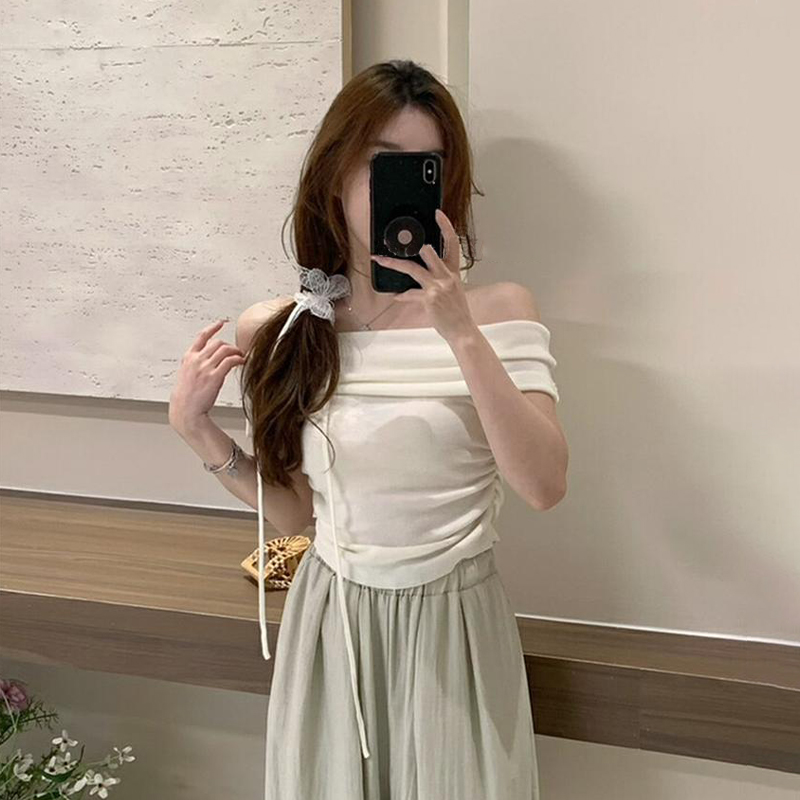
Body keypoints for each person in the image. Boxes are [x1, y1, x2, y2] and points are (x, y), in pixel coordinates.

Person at [169, 59, 568, 800]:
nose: (405, 187)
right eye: (385, 164)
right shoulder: (287, 328)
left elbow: (544, 485)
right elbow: (295, 513)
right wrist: (200, 432)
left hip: (455, 627)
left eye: (426, 168)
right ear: (335, 174)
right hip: (331, 625)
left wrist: (460, 332)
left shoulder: (501, 312)